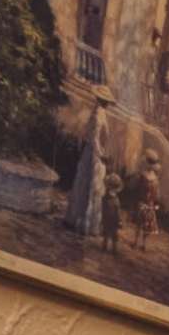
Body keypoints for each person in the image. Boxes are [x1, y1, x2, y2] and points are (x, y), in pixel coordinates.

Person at [59, 86, 114, 238]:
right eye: (106, 101)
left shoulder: (101, 113)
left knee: (91, 185)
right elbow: (94, 137)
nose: (107, 104)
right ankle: (83, 222)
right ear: (103, 101)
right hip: (93, 154)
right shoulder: (97, 114)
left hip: (94, 152)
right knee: (90, 184)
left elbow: (100, 136)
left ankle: (85, 221)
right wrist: (101, 154)